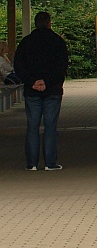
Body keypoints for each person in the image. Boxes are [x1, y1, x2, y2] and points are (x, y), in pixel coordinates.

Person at [14, 11, 69, 171]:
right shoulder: (58, 42)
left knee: (32, 126)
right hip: (52, 90)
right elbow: (61, 67)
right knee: (50, 127)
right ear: (49, 23)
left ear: (35, 24)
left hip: (32, 92)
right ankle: (50, 163)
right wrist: (47, 82)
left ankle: (31, 163)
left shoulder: (26, 42)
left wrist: (32, 82)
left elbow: (19, 66)